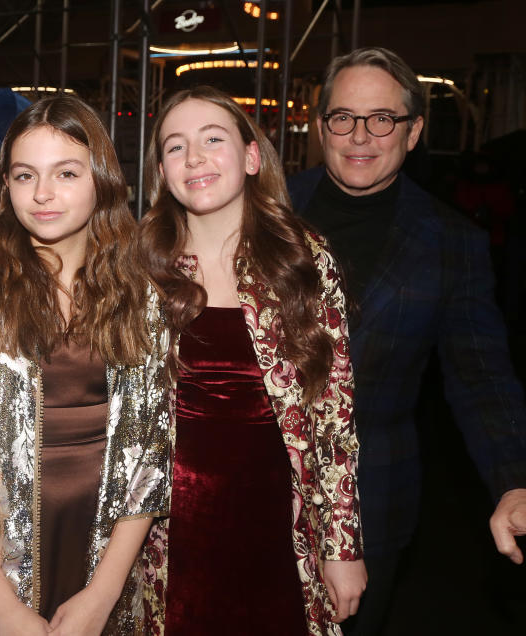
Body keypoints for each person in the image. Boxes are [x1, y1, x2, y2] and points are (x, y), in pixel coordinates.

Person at [288, 47, 526, 634]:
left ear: (414, 131)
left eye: (383, 119)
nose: (360, 136)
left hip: (374, 502)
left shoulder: (451, 243)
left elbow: (480, 374)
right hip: (244, 485)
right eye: (343, 117)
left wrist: (514, 479)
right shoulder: (264, 210)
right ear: (321, 128)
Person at [0, 95, 171, 635]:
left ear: (99, 178)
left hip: (106, 553)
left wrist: (103, 596)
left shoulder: (139, 299)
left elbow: (151, 458)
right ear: (6, 186)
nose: (43, 194)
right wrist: (6, 614)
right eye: (26, 175)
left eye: (66, 173)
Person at [137, 86, 365, 635]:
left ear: (252, 156)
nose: (194, 157)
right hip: (164, 532)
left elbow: (334, 414)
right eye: (175, 146)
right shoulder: (140, 267)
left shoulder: (302, 260)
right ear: (162, 172)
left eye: (212, 139)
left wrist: (342, 546)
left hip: (279, 529)